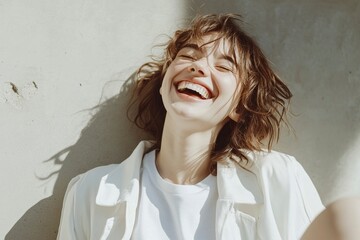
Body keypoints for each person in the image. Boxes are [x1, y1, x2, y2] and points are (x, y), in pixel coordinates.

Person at [57, 14, 324, 240]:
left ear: (238, 108)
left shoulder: (275, 180)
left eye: (223, 66)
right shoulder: (90, 192)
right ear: (164, 83)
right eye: (188, 55)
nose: (199, 67)